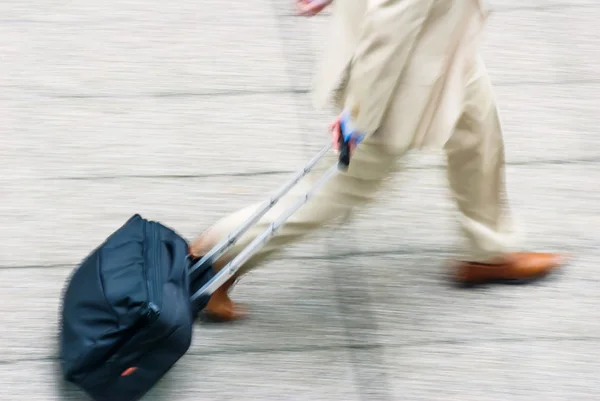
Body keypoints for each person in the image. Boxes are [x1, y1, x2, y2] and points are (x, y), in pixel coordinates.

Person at [190, 0, 565, 321]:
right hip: (402, 71)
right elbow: (393, 28)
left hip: (441, 38)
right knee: (344, 186)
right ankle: (219, 254)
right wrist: (362, 112)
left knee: (476, 129)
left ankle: (489, 249)